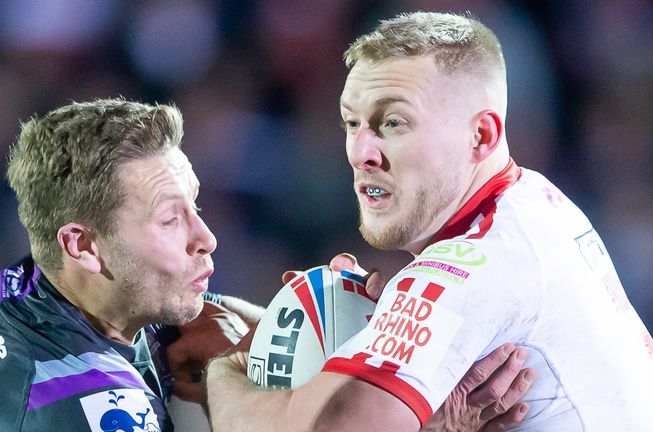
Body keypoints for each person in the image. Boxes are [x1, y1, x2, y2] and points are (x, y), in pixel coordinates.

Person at [205, 11, 653, 431]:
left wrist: (225, 375)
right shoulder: (534, 198)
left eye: (393, 123)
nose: (361, 153)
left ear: (480, 135)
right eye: (352, 123)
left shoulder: (473, 260)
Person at [0, 99, 531, 431]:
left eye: (197, 206)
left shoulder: (51, 295)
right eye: (169, 220)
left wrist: (306, 330)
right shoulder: (83, 405)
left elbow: (220, 336)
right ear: (83, 246)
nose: (206, 238)